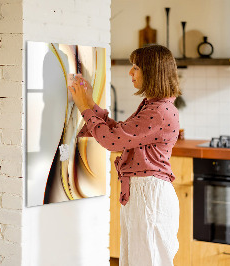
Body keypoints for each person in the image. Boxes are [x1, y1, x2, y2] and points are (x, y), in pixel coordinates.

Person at [68, 44, 181, 266]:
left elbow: (112, 141)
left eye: (136, 67)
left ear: (152, 71)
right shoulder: (154, 106)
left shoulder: (158, 111)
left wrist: (84, 108)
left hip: (149, 195)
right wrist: (90, 104)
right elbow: (120, 133)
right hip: (143, 193)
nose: (130, 72)